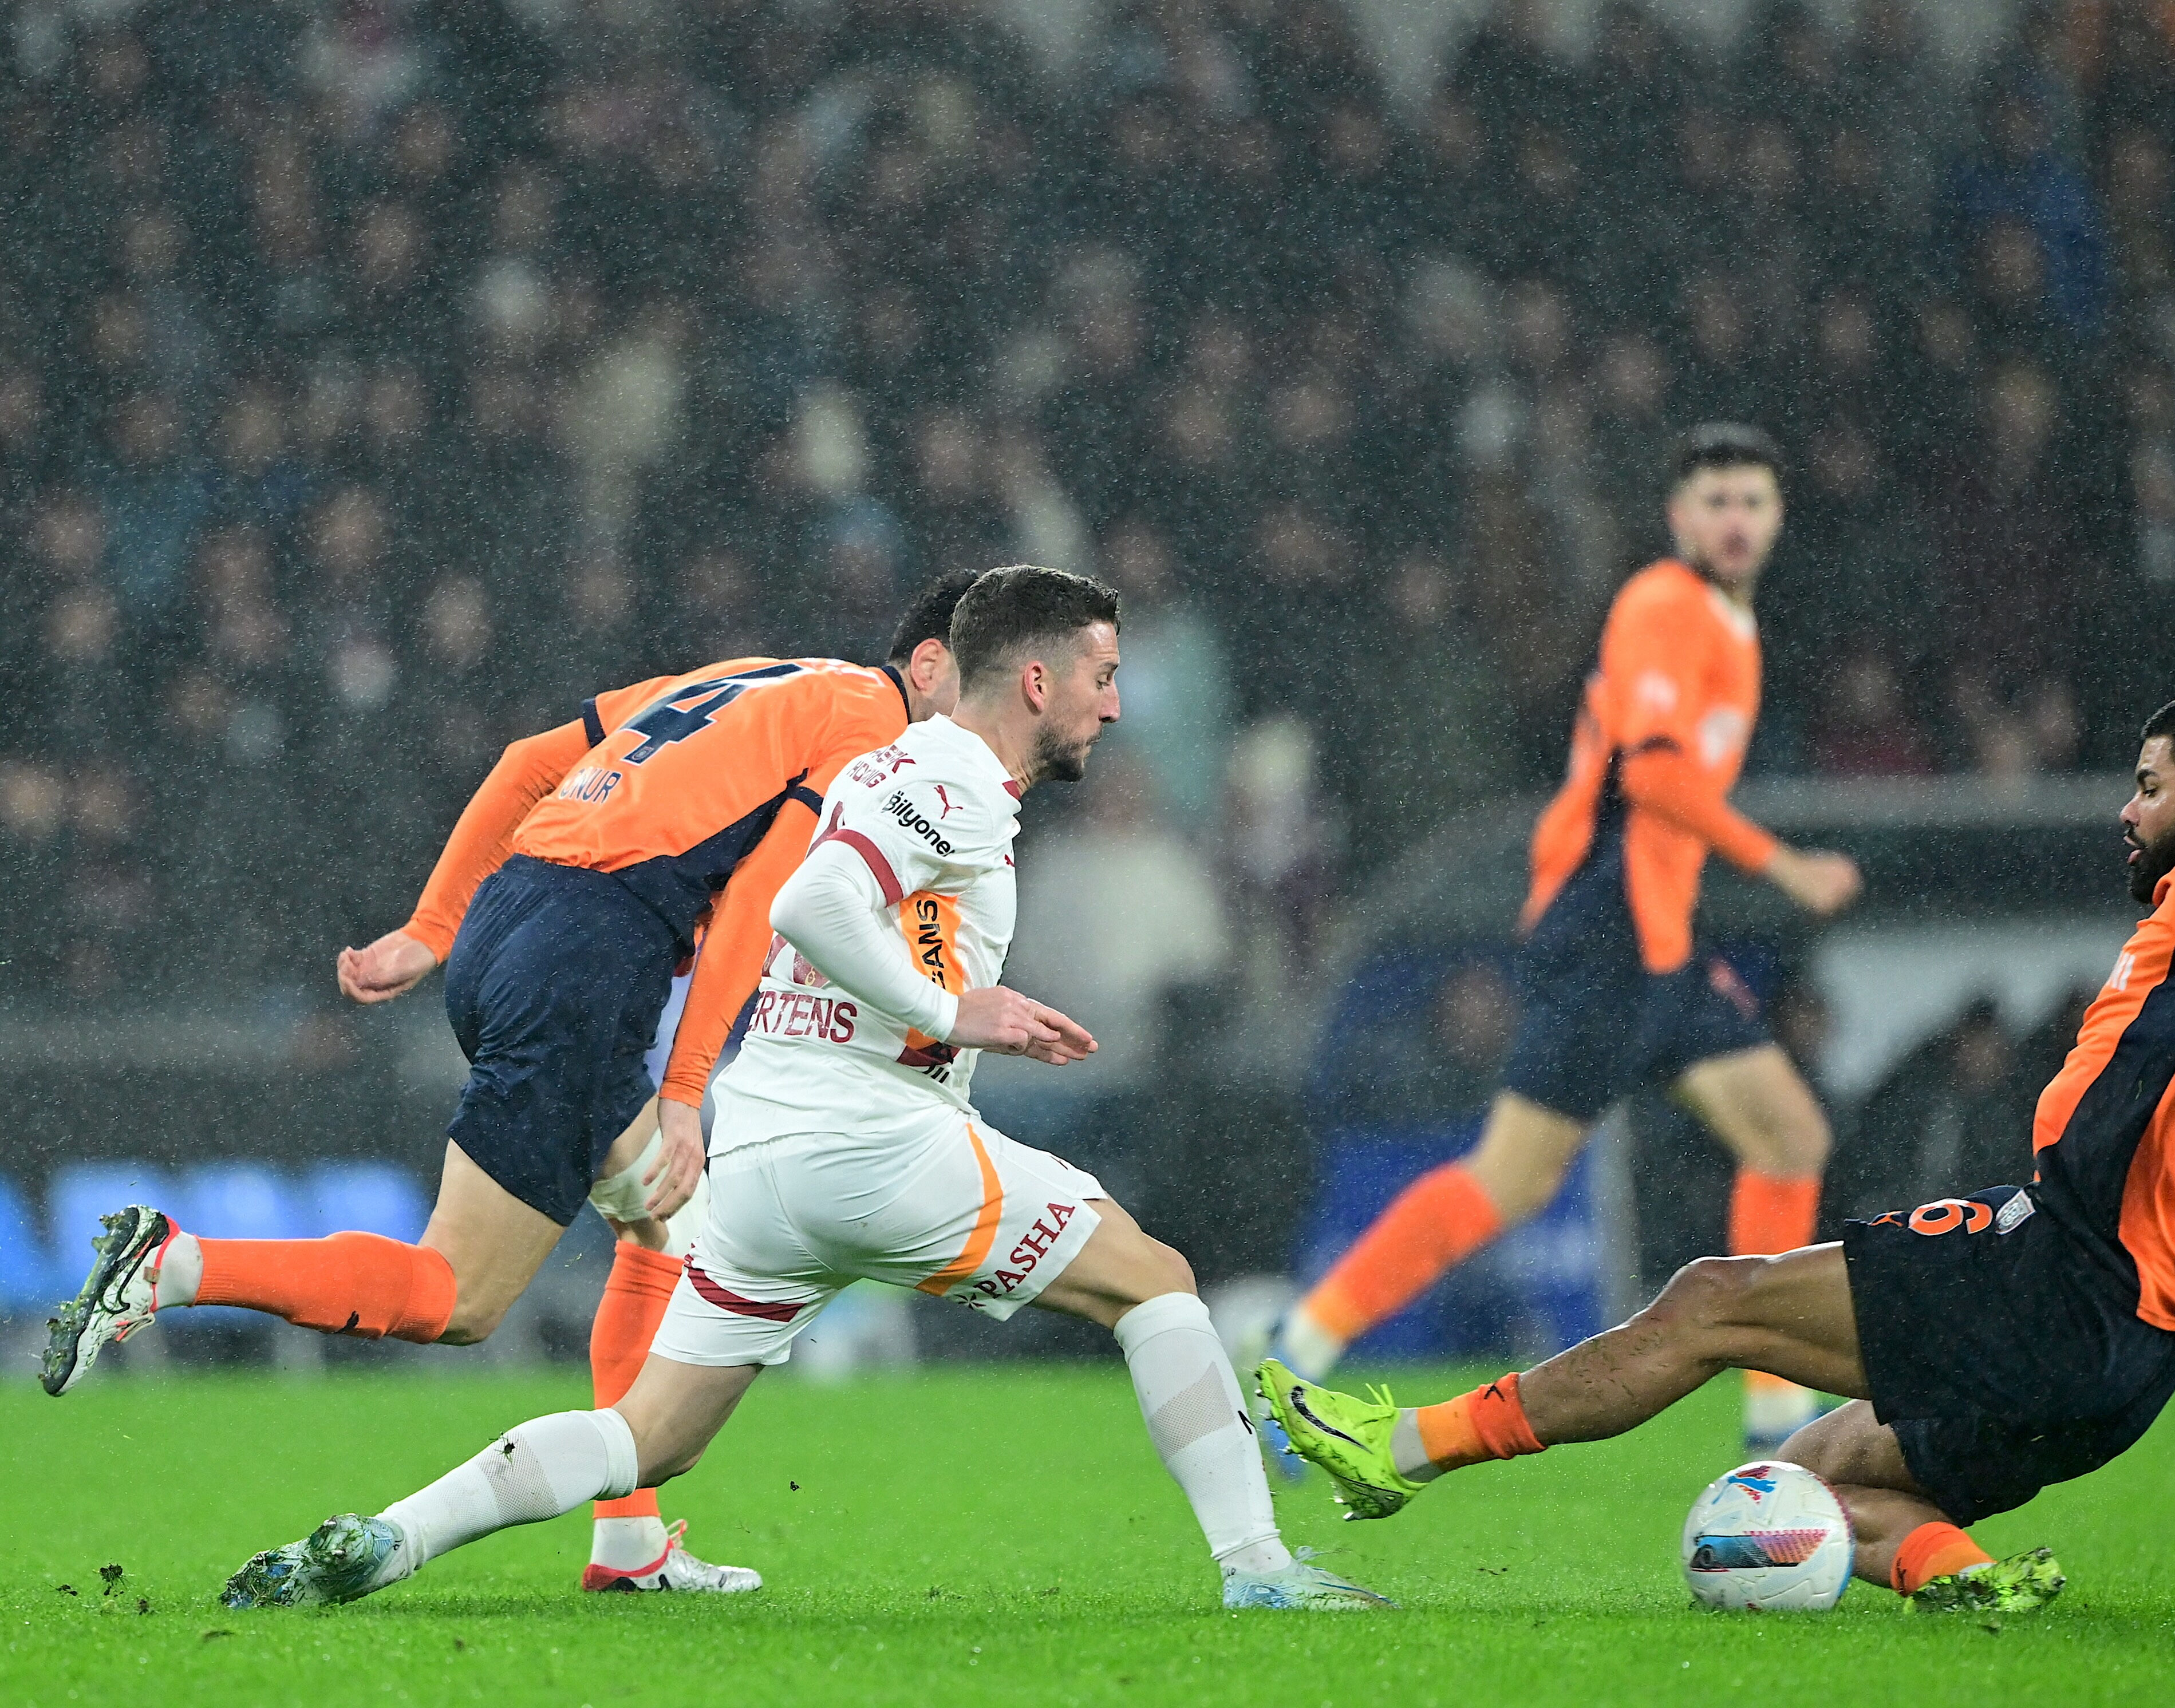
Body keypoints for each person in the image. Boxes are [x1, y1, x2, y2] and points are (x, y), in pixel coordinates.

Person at [219, 566, 1391, 1615]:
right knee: (1158, 1281)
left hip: (772, 1161)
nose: (1117, 704)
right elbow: (810, 902)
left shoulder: (879, 758)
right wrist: (951, 1012)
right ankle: (1260, 1570)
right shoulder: (955, 772)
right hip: (875, 1138)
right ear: (1033, 678)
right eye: (1102, 675)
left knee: (646, 1439)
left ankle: (387, 1538)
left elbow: (826, 893)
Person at [1259, 685, 2175, 1612]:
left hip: (2061, 1275)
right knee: (1797, 1473)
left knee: (1712, 1300)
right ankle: (1968, 1581)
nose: (2127, 809)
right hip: (2140, 1361)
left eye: (2149, 784)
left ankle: (1398, 1452)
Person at [45, 570, 985, 1594]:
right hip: (587, 965)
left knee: (665, 1226)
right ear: (928, 664)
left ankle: (628, 1547)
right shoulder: (874, 736)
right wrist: (685, 1093)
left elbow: (530, 762)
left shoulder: (760, 677)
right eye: (977, 694)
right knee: (456, 1297)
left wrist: (433, 927)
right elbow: (765, 903)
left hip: (515, 918)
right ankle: (176, 1267)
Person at [1259, 425, 1863, 1453]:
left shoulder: (1731, 627)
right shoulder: (1663, 609)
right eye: (1714, 500)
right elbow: (1655, 774)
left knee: (1788, 1136)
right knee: (1511, 1181)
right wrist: (1784, 864)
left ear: (1776, 519)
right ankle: (1296, 1352)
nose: (1734, 520)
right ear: (1678, 519)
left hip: (1665, 942)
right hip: (1611, 933)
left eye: (1752, 501)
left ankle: (1775, 1430)